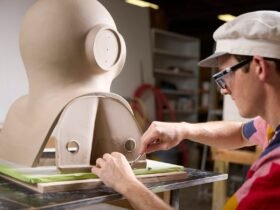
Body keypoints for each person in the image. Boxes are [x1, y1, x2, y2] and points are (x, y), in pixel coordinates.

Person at [92, 10, 280, 210]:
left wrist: (127, 185)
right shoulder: (272, 125)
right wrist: (182, 130)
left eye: (226, 76)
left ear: (259, 66)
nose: (224, 90)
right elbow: (241, 133)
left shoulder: (272, 176)